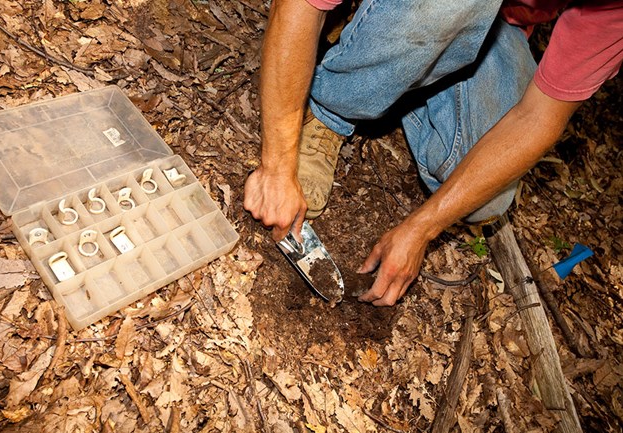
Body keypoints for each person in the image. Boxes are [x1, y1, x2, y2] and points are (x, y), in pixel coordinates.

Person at [243, 0, 623, 306]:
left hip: (500, 26)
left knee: (486, 203)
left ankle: (408, 72)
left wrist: (422, 228)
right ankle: (333, 110)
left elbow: (539, 116)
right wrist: (276, 165)